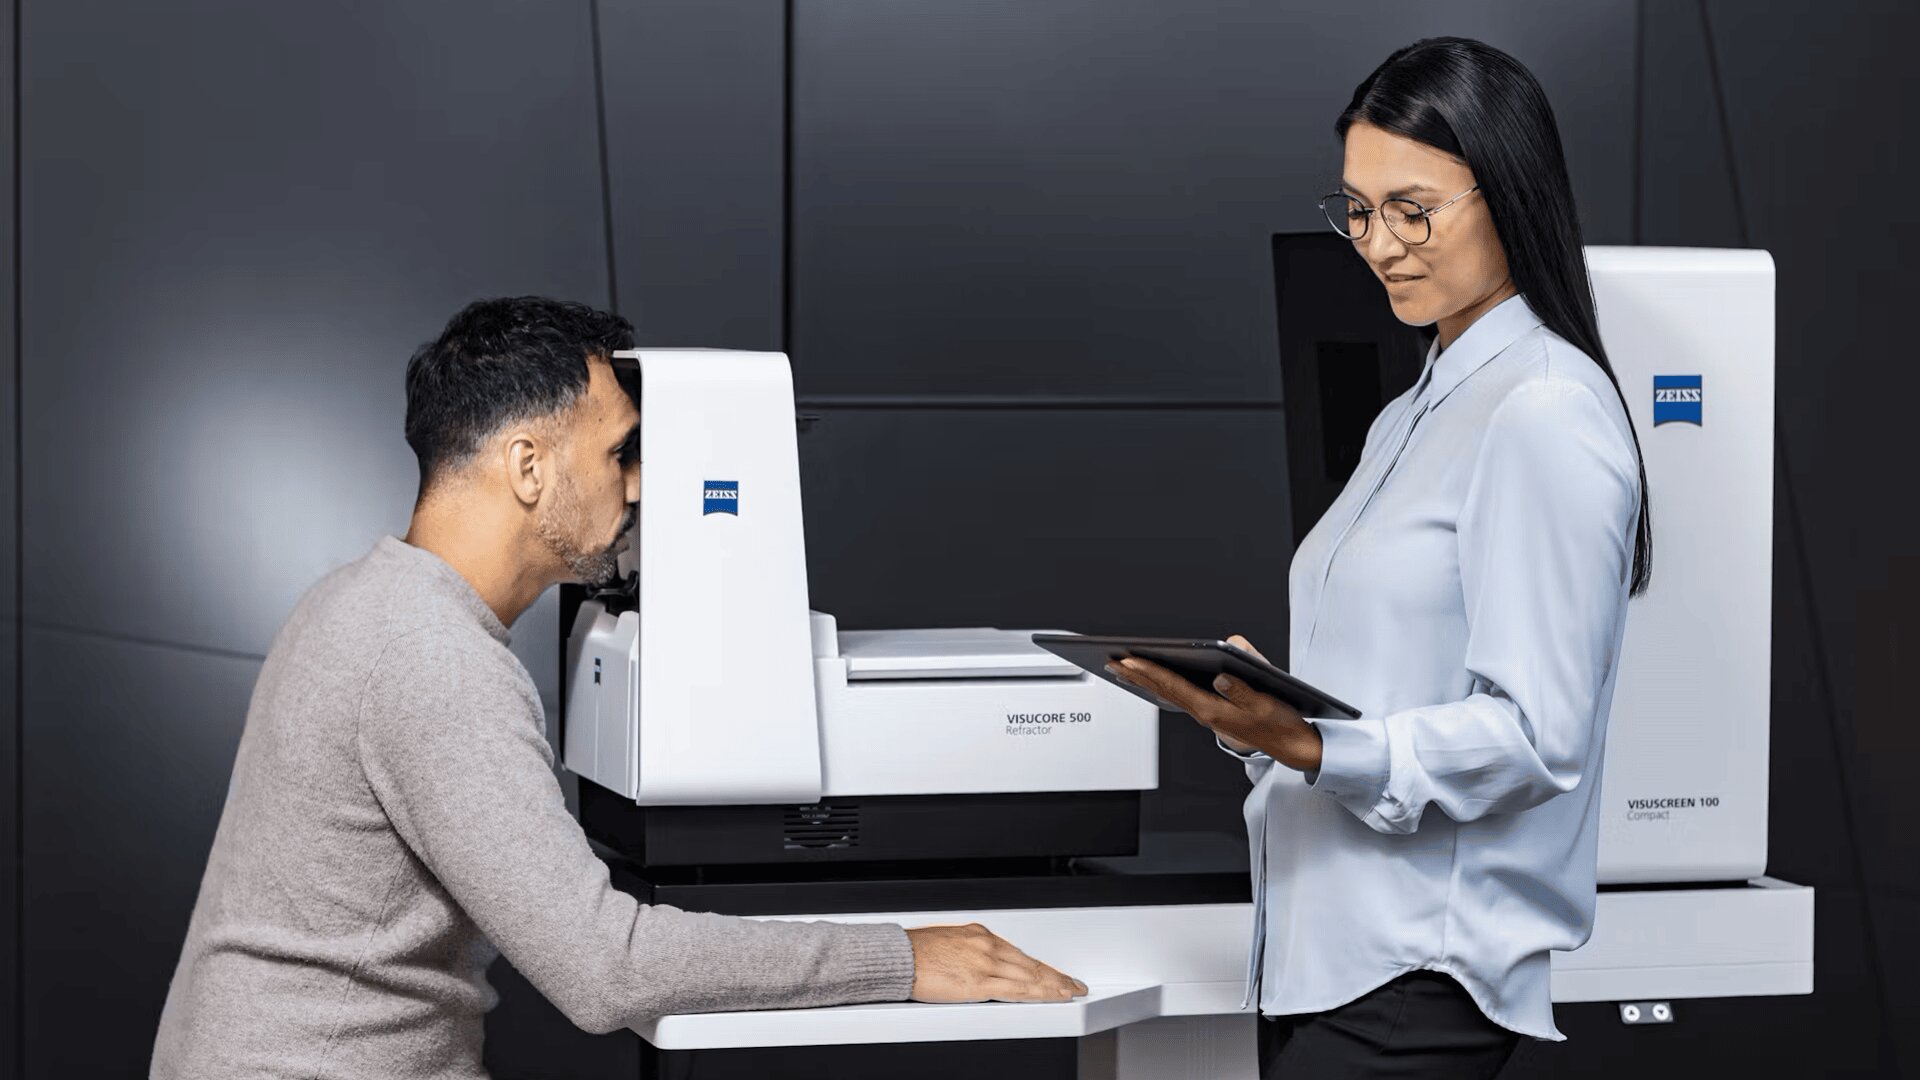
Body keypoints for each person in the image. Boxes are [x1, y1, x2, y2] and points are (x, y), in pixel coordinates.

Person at [151, 297, 1084, 1080]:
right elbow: (604, 967)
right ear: (527, 467)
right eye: (617, 454)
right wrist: (903, 958)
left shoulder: (362, 600)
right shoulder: (430, 655)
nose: (636, 487)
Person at [1108, 37, 1649, 1079]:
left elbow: (1537, 736)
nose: (1380, 244)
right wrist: (1260, 720)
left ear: (1511, 195)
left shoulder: (1540, 409)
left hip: (1417, 982)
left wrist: (1312, 745)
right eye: (1358, 209)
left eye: (1414, 208)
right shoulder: (1411, 412)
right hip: (1326, 966)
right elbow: (1390, 694)